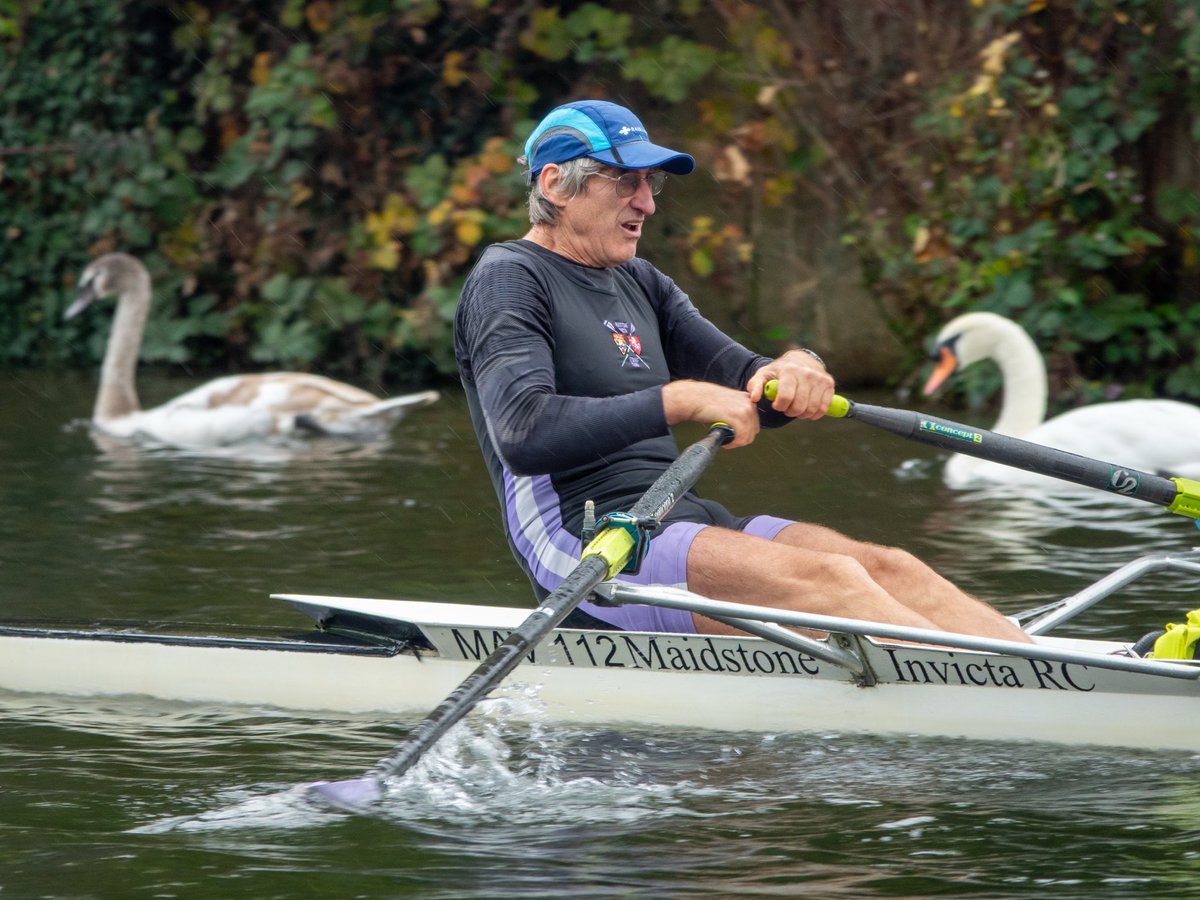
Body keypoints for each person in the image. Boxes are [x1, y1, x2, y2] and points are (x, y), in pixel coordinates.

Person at [454, 98, 1030, 644]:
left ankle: (1044, 677)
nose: (647, 203)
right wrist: (680, 401)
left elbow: (752, 387)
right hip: (584, 542)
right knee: (833, 586)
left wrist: (799, 365)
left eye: (650, 184)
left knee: (889, 568)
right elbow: (525, 433)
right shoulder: (509, 278)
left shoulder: (642, 284)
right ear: (555, 184)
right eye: (625, 181)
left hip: (678, 519)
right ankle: (997, 701)